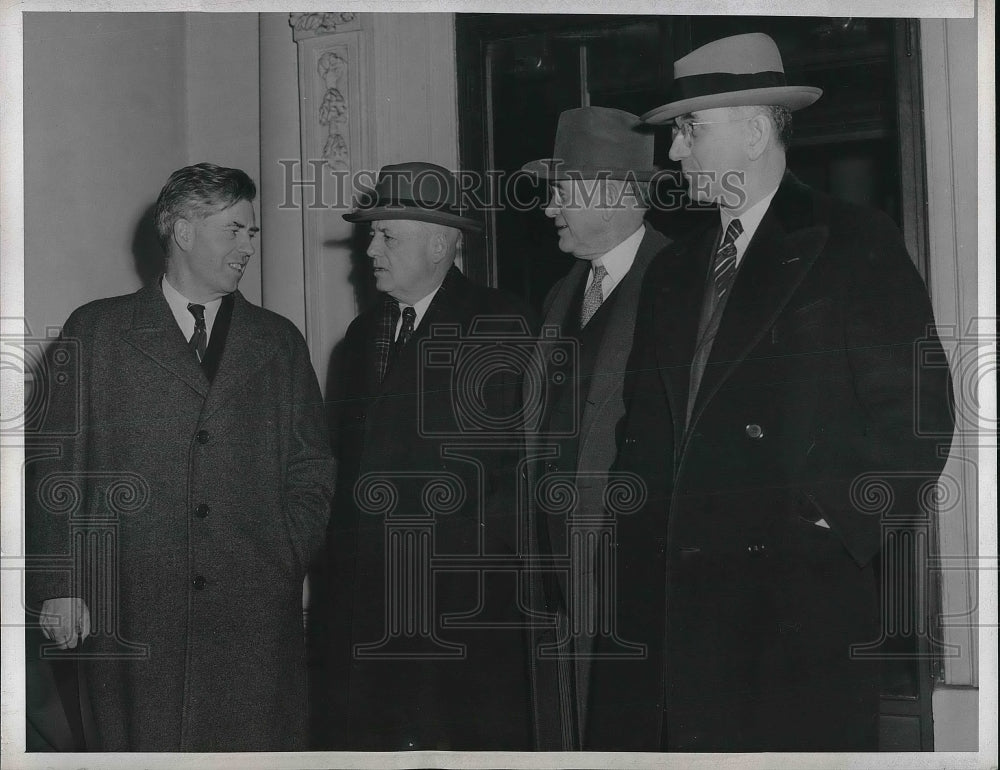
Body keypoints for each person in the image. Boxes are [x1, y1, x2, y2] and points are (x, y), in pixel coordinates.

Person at [585, 33, 955, 751]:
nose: (674, 153)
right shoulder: (669, 273)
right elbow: (644, 431)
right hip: (665, 611)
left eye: (690, 129)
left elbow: (918, 416)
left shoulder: (851, 241)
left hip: (794, 614)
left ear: (755, 132)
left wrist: (826, 522)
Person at [25, 163, 336, 751]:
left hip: (251, 610)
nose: (249, 245)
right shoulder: (97, 331)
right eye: (235, 230)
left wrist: (283, 553)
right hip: (130, 606)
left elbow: (312, 469)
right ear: (184, 232)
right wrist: (59, 583)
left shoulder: (278, 341)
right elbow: (54, 468)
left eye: (252, 232)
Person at [318, 161, 535, 750]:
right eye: (372, 233)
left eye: (388, 235)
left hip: (457, 610)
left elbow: (516, 473)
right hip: (366, 605)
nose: (370, 249)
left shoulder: (501, 324)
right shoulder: (361, 338)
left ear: (441, 243)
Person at [518, 107, 672, 750]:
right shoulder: (563, 291)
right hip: (557, 556)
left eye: (562, 190)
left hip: (630, 557)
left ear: (614, 193)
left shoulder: (677, 280)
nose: (550, 207)